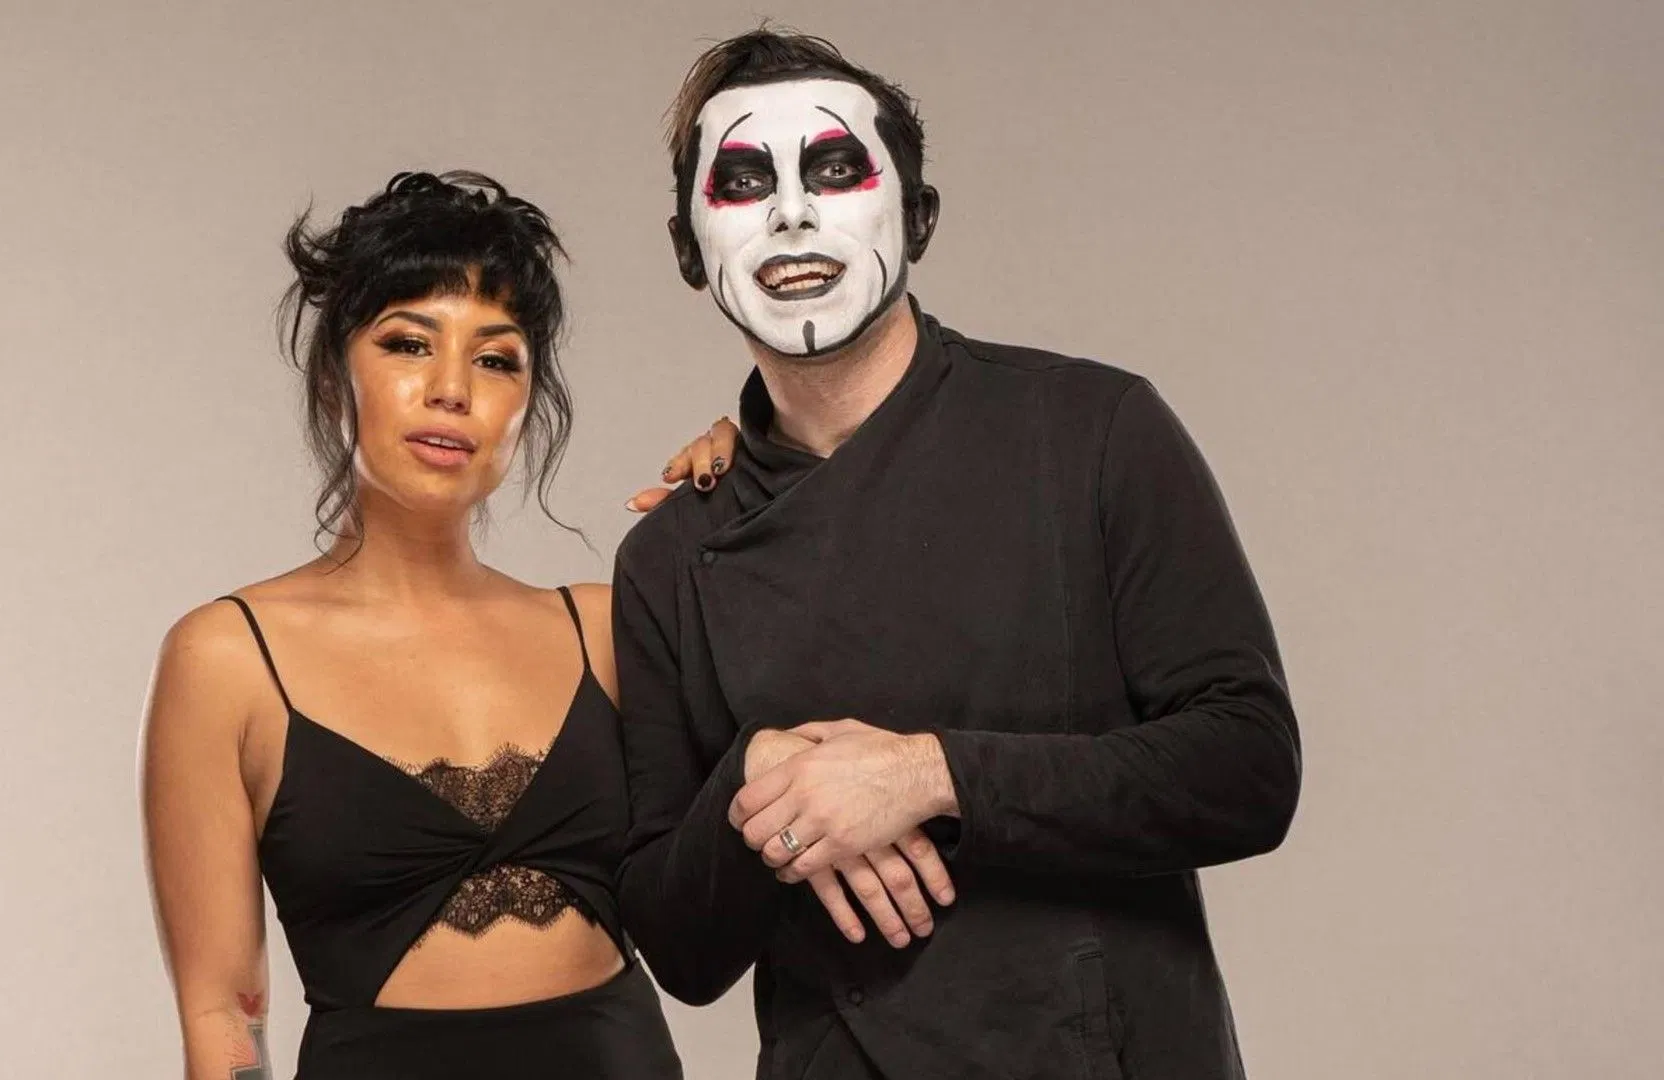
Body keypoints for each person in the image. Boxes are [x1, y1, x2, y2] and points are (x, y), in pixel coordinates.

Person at [613, 29, 1302, 1080]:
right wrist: (757, 786)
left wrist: (929, 775)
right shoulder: (671, 552)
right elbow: (681, 949)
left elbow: (1248, 768)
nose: (791, 214)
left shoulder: (1090, 429)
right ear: (687, 248)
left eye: (834, 169)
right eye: (743, 182)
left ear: (919, 217)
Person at [139, 170, 737, 1079]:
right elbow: (224, 1014)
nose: (452, 389)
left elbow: (775, 799)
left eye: (496, 360)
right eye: (409, 344)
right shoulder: (227, 659)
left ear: (527, 404)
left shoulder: (604, 629)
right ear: (335, 376)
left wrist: (761, 494)